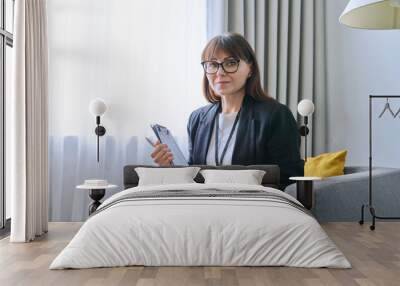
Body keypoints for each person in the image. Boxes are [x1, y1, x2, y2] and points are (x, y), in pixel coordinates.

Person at [151, 33, 304, 189]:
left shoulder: (276, 115)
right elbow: (194, 177)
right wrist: (170, 166)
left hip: (254, 207)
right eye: (213, 64)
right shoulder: (197, 118)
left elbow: (289, 177)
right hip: (203, 206)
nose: (220, 72)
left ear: (250, 69)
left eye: (230, 63)